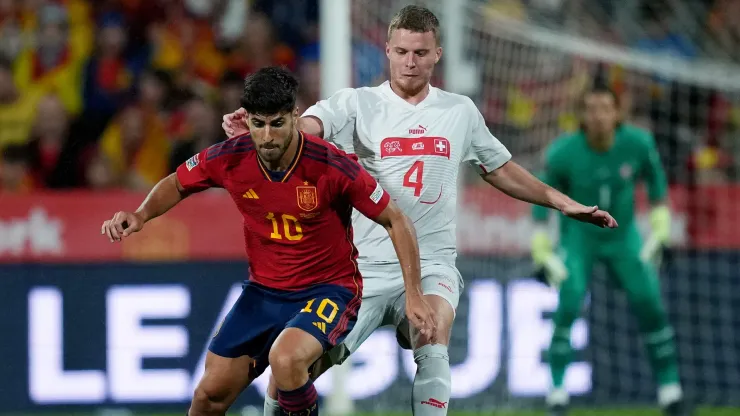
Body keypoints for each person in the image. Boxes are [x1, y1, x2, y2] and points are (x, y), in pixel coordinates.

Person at [222, 6, 617, 415]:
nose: (411, 62)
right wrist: (263, 132)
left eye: (421, 53)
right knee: (295, 365)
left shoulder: (459, 111)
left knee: (433, 335)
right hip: (361, 270)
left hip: (432, 264)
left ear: (437, 54)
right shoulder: (357, 104)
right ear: (388, 51)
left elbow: (498, 168)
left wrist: (562, 202)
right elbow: (307, 128)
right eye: (402, 51)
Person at [100, 66, 437, 416]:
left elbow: (397, 221)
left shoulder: (332, 166)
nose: (267, 136)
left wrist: (413, 292)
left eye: (277, 123)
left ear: (295, 116)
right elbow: (178, 182)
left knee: (285, 359)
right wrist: (140, 215)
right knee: (207, 397)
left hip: (327, 290)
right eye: (259, 124)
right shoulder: (231, 157)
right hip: (263, 293)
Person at [531, 85, 687, 416]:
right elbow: (542, 200)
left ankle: (671, 393)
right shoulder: (562, 153)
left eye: (605, 108)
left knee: (650, 304)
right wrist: (541, 247)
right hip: (579, 239)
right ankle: (557, 395)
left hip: (624, 238)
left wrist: (661, 231)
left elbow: (657, 188)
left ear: (617, 112)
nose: (598, 115)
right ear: (581, 114)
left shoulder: (639, 144)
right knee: (568, 304)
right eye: (591, 108)